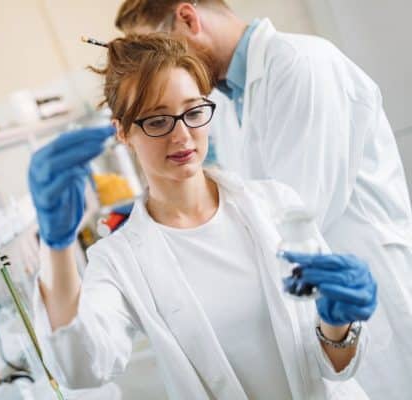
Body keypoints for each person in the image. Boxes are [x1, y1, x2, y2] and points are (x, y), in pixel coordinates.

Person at [28, 34, 377, 400]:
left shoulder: (277, 206)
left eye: (193, 112)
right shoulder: (118, 261)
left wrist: (338, 325)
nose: (182, 136)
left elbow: (335, 366)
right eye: (158, 120)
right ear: (122, 132)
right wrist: (57, 246)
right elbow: (81, 367)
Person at [109, 2, 412, 399]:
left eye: (161, 41)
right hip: (323, 320)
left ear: (188, 17)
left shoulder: (302, 65)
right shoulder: (231, 99)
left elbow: (294, 214)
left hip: (368, 297)